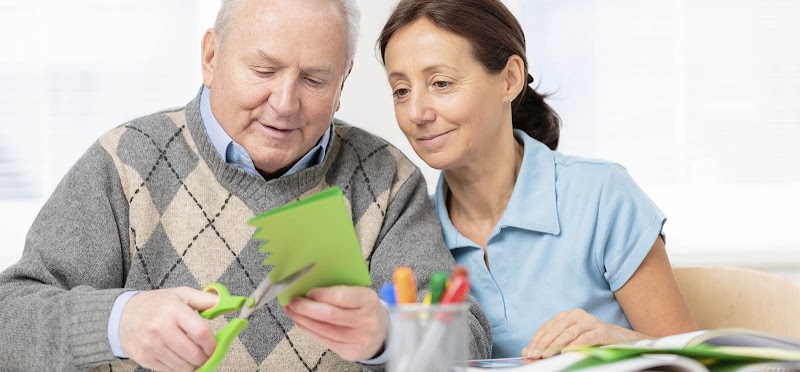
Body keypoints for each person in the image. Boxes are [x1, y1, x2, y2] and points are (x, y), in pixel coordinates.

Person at [0, 0, 492, 370]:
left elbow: (467, 341)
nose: (284, 102)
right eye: (263, 69)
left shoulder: (386, 181)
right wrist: (117, 322)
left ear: (342, 84)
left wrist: (390, 336)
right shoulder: (124, 161)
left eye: (315, 80)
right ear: (211, 57)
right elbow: (9, 321)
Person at [378, 0, 698, 360]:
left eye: (441, 83)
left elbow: (693, 361)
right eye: (401, 90)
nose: (416, 112)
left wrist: (616, 341)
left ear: (510, 78)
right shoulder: (406, 236)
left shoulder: (602, 196)